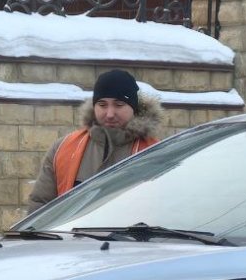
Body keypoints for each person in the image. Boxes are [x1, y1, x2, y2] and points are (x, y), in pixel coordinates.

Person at [25, 68, 162, 213]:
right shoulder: (63, 148)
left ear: (134, 107)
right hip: (70, 235)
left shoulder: (155, 153)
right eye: (102, 105)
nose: (109, 114)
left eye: (119, 105)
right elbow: (40, 205)